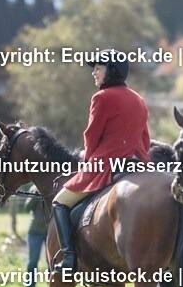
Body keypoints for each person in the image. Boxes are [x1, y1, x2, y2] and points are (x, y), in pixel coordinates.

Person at [52, 49, 152, 274]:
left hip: (106, 164)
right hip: (138, 163)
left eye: (98, 68)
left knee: (59, 202)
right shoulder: (139, 99)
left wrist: (88, 159)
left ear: (111, 70)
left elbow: (91, 135)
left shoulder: (102, 97)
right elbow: (145, 139)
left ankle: (69, 259)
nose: (94, 72)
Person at [24, 193, 49, 287]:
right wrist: (35, 195)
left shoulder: (53, 189)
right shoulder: (34, 190)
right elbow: (27, 208)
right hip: (34, 231)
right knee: (32, 261)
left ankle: (52, 286)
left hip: (50, 231)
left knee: (51, 262)